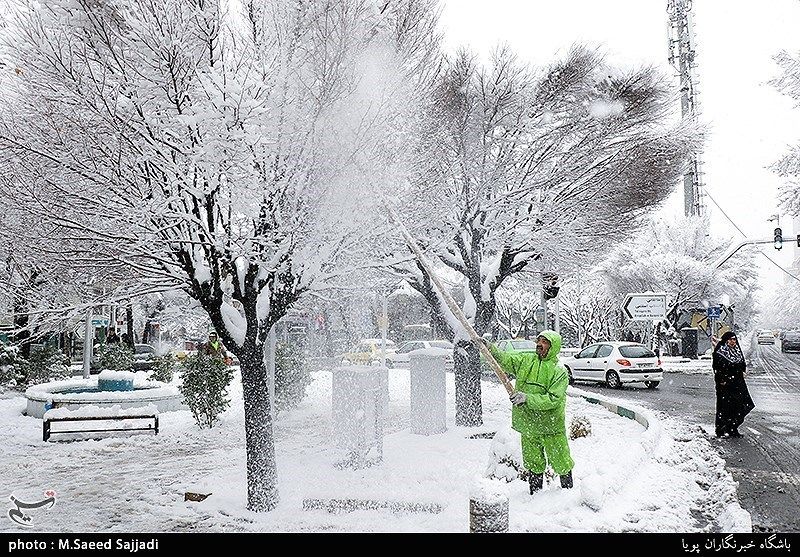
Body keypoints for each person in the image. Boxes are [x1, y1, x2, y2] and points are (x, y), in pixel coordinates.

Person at [485, 330, 574, 494]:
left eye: (545, 342)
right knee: (533, 461)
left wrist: (527, 398)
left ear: (553, 346)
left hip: (551, 426)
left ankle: (567, 494)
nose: (540, 344)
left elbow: (553, 399)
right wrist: (491, 349)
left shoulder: (559, 371)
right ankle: (535, 494)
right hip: (529, 424)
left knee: (561, 460)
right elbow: (506, 360)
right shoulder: (526, 360)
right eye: (538, 340)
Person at [712, 331, 754, 438]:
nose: (733, 342)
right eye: (730, 339)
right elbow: (717, 368)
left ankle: (733, 428)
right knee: (725, 407)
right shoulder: (720, 352)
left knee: (741, 405)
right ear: (726, 340)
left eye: (734, 339)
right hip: (725, 385)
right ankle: (721, 429)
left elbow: (742, 364)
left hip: (738, 384)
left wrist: (743, 371)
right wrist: (722, 380)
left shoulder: (737, 351)